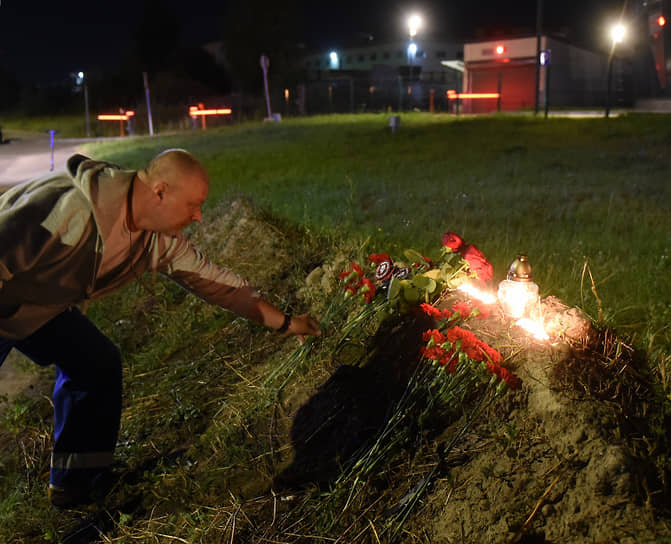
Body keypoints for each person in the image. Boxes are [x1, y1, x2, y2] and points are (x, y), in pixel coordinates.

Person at [0, 149, 321, 508]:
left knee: (96, 363)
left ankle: (77, 484)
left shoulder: (155, 239)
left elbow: (219, 285)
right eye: (193, 205)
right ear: (161, 191)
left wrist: (287, 323)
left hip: (35, 305)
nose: (199, 217)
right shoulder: (69, 210)